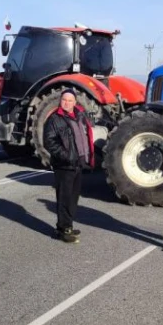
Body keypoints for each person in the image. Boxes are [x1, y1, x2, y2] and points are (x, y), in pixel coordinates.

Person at [43, 89, 95, 244]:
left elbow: (85, 135)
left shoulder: (79, 115)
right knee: (64, 198)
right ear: (60, 101)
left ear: (75, 102)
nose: (66, 102)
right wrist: (67, 156)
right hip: (64, 165)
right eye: (64, 99)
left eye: (70, 100)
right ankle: (63, 229)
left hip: (78, 164)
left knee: (73, 198)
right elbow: (49, 142)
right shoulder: (54, 119)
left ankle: (67, 225)